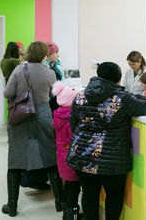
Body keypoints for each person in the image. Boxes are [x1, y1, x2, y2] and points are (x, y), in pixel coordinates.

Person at [67, 62, 146, 220]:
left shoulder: (81, 95)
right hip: (112, 161)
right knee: (114, 195)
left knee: (89, 193)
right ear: (117, 80)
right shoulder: (122, 98)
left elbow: (73, 123)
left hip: (82, 156)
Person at [2, 41, 63, 217]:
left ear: (28, 53)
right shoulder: (50, 73)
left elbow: (7, 93)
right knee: (50, 157)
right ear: (44, 55)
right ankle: (59, 201)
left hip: (20, 116)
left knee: (15, 158)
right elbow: (53, 94)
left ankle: (12, 206)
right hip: (43, 116)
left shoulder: (19, 70)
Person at [52, 81, 82, 220]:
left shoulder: (58, 115)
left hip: (62, 158)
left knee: (68, 186)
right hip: (72, 158)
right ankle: (71, 215)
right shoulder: (71, 118)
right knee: (74, 189)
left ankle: (66, 213)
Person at [44, 41, 63, 113]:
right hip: (47, 101)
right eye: (56, 53)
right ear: (49, 54)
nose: (58, 56)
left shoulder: (56, 66)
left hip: (56, 99)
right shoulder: (44, 67)